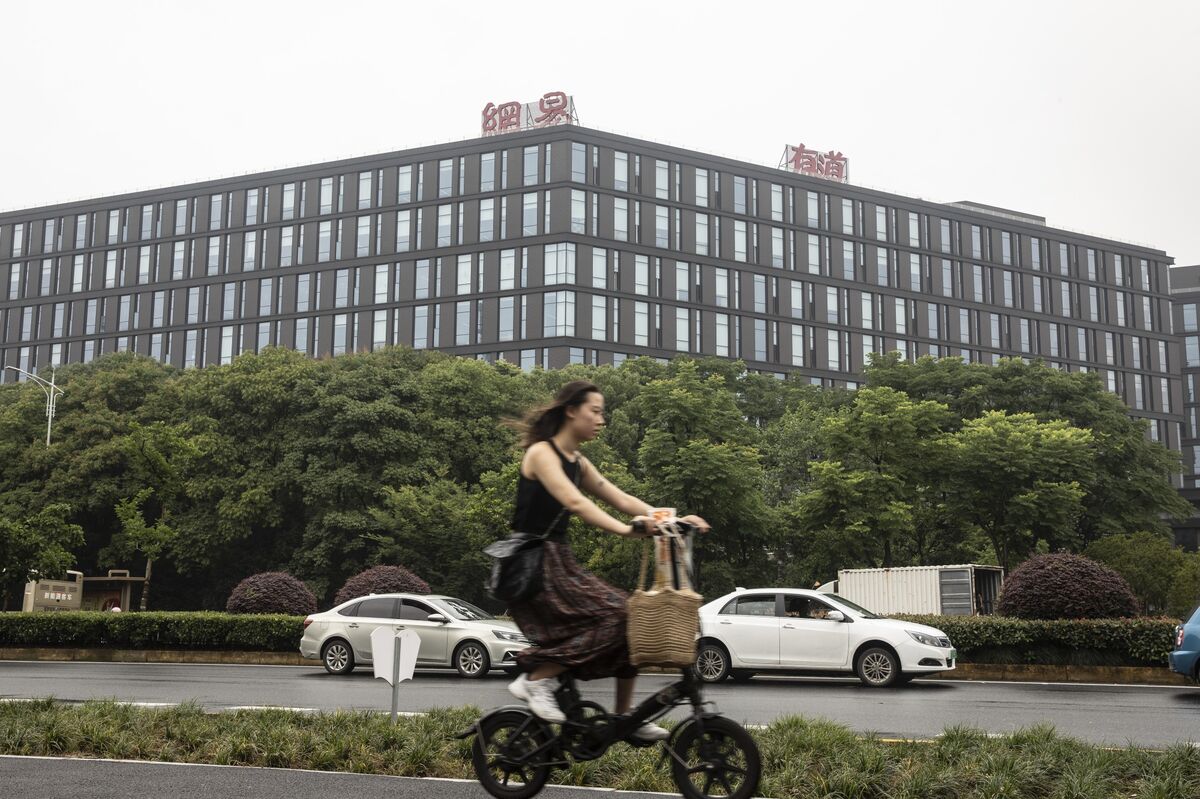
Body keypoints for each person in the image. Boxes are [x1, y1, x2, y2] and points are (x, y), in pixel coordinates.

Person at [505, 380, 709, 743]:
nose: (601, 420)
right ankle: (536, 679)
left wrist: (672, 520)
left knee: (632, 619)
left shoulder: (578, 462)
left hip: (559, 562)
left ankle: (624, 719)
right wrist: (627, 531)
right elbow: (577, 503)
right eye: (595, 411)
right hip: (532, 566)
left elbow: (622, 499)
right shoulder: (541, 453)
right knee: (621, 615)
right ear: (571, 411)